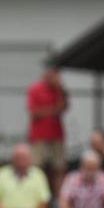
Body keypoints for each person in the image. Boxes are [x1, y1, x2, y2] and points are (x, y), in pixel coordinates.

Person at [26, 63, 68, 193]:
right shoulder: (35, 88)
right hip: (38, 135)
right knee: (37, 167)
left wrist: (60, 90)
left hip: (57, 134)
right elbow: (34, 113)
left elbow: (63, 108)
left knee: (59, 167)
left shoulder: (59, 90)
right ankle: (37, 194)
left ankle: (59, 198)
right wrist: (53, 111)